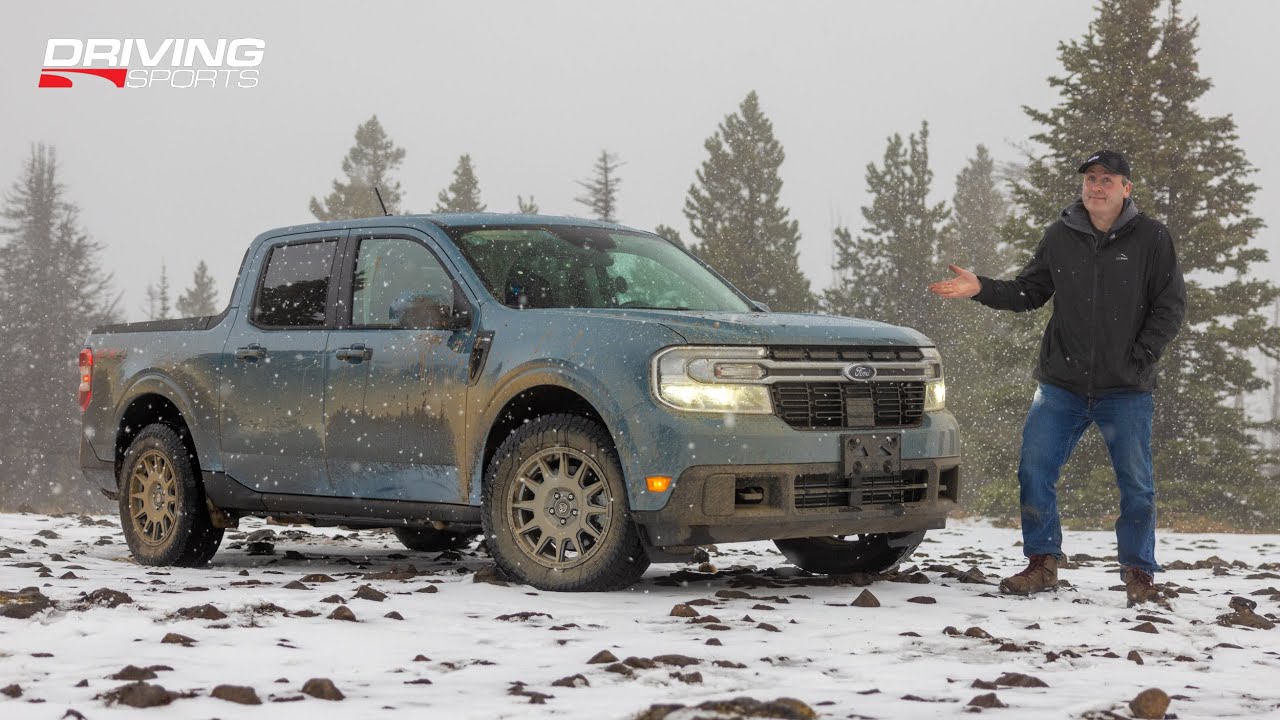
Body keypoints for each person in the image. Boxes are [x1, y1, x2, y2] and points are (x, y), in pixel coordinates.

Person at [928, 150, 1185, 605]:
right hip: (1061, 386)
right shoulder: (1061, 235)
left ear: (1126, 188)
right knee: (1034, 470)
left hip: (1125, 390)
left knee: (1136, 484)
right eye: (1090, 178)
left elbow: (1169, 307)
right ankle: (1042, 563)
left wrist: (1140, 357)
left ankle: (1139, 573)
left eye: (1107, 179)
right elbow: (1029, 292)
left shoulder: (1152, 238)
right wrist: (982, 287)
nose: (1096, 186)